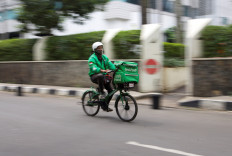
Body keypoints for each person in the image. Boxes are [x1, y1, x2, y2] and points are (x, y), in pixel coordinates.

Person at [88, 42, 116, 112]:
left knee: (111, 91)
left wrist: (115, 69)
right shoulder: (92, 58)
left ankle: (105, 106)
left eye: (101, 47)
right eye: (99, 48)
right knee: (100, 75)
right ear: (95, 49)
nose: (101, 49)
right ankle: (101, 92)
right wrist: (102, 70)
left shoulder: (105, 57)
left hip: (104, 76)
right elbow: (93, 68)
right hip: (95, 76)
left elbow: (110, 65)